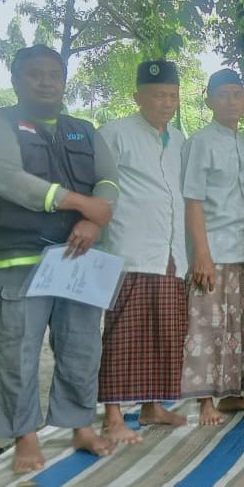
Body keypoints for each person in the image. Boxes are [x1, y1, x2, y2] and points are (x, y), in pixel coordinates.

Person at [0, 45, 117, 472]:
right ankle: (25, 436)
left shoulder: (84, 131)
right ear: (15, 80)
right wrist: (81, 204)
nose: (47, 82)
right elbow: (11, 181)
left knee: (82, 348)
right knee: (17, 353)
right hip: (16, 259)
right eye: (36, 74)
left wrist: (93, 222)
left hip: (78, 255)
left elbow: (108, 181)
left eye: (55, 74)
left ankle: (80, 425)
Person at [97, 60, 190, 444]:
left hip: (172, 252)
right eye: (157, 96)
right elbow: (97, 183)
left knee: (166, 332)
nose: (166, 103)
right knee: (122, 334)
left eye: (171, 95)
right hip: (129, 250)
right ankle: (113, 416)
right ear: (138, 97)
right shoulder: (114, 134)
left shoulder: (181, 141)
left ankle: (153, 407)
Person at [180, 69, 244, 425]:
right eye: (224, 95)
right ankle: (204, 402)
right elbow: (193, 199)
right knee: (207, 326)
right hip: (213, 249)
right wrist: (201, 253)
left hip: (243, 250)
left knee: (239, 325)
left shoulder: (241, 142)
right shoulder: (201, 141)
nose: (232, 101)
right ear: (209, 100)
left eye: (238, 94)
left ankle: (232, 394)